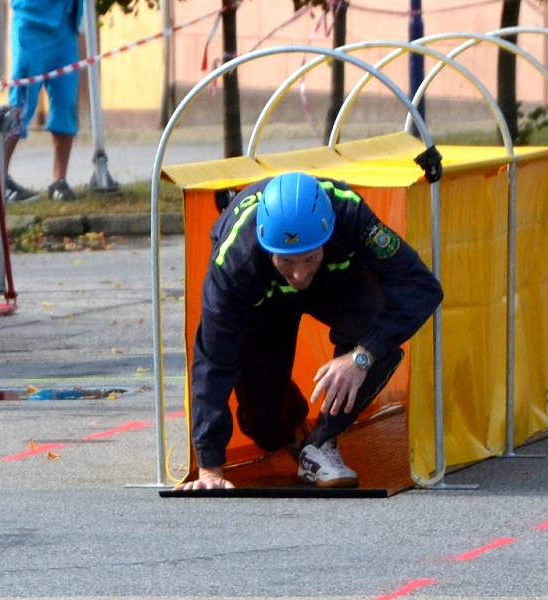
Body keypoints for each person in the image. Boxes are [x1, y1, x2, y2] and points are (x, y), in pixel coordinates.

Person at [176, 172, 443, 490]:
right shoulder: (235, 260)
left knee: (375, 328)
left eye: (309, 258)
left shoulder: (350, 215)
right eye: (287, 261)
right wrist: (209, 469)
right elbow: (213, 358)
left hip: (336, 285)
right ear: (265, 244)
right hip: (265, 301)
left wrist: (363, 354)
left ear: (327, 234)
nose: (300, 274)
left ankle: (323, 442)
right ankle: (294, 433)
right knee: (263, 424)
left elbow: (422, 287)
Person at [4, 0, 82, 203]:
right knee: (20, 103)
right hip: (31, 20)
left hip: (67, 23)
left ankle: (59, 182)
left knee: (66, 105)